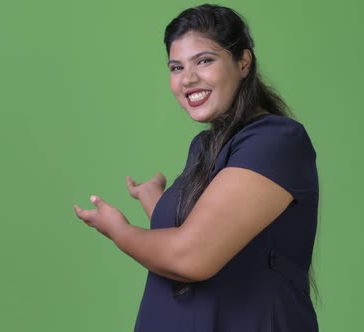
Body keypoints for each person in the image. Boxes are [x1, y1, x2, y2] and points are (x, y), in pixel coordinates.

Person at [73, 4, 319, 331]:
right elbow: (212, 232)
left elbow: (192, 257)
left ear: (243, 62)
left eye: (204, 61)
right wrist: (158, 205)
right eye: (176, 67)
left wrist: (119, 230)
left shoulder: (275, 142)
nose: (188, 78)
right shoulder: (206, 146)